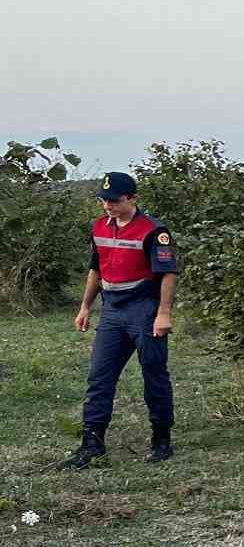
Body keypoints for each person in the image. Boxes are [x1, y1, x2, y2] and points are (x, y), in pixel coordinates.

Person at [63, 171, 182, 468]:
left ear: (132, 198)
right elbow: (96, 270)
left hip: (144, 309)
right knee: (99, 376)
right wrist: (85, 307)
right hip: (112, 311)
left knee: (154, 373)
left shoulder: (154, 230)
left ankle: (161, 439)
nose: (108, 206)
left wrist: (163, 313)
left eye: (114, 200)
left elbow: (168, 273)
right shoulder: (99, 227)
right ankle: (92, 443)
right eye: (104, 200)